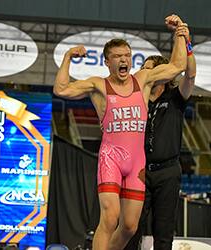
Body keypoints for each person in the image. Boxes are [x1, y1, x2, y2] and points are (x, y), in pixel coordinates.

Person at [54, 15, 187, 250]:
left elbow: (177, 66)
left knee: (129, 227)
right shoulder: (98, 85)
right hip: (111, 159)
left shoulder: (143, 80)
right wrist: (67, 58)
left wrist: (179, 34)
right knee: (110, 217)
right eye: (117, 57)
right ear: (107, 62)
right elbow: (61, 89)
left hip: (137, 163)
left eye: (127, 55)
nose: (123, 60)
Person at [125, 17, 196, 250]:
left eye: (147, 70)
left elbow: (190, 75)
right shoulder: (137, 98)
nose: (142, 74)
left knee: (163, 233)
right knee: (131, 228)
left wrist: (185, 40)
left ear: (162, 74)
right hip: (140, 171)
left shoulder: (176, 97)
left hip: (168, 171)